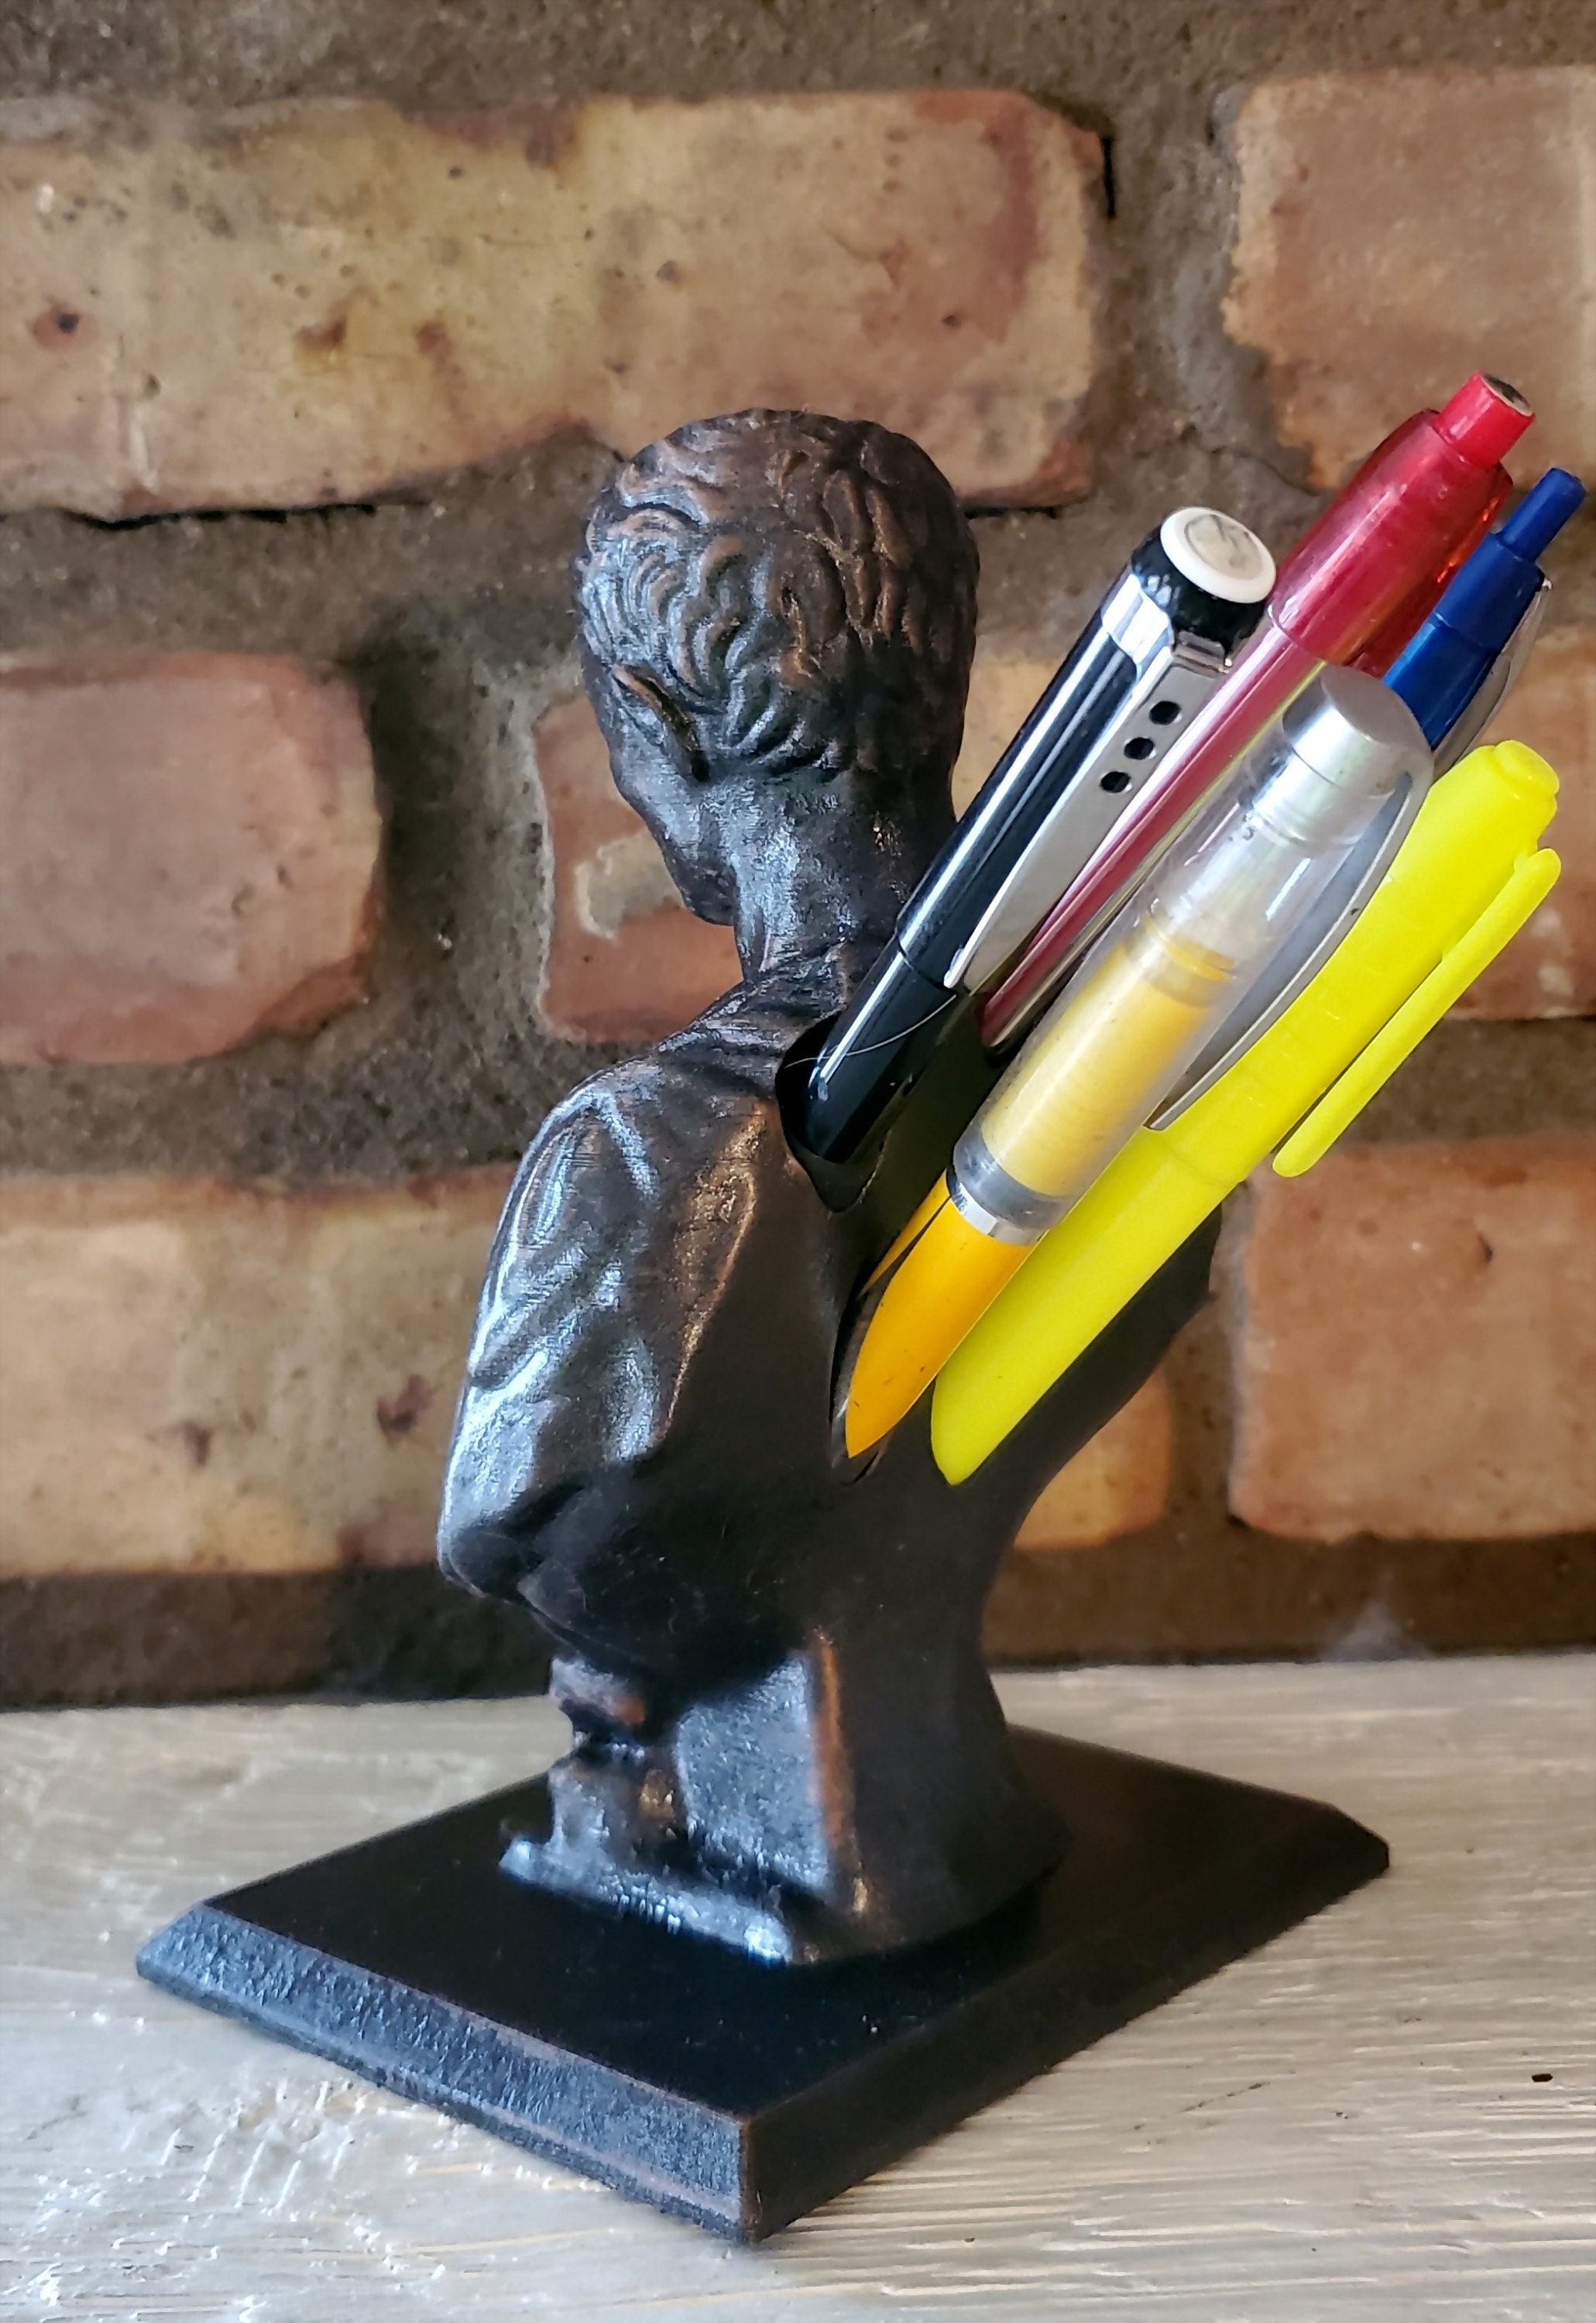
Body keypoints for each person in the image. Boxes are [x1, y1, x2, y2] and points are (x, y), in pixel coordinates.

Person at [438, 410, 1214, 1961]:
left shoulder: (649, 1158)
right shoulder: (1128, 1070)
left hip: (772, 1851)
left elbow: (526, 1542)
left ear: (654, 725)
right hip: (944, 1803)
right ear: (943, 678)